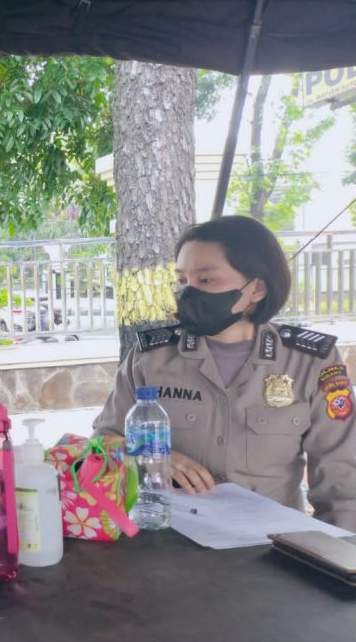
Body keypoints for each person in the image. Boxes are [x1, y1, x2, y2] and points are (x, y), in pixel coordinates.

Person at [94, 215, 356, 529]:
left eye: (206, 281)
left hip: (272, 543)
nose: (188, 293)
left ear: (256, 288)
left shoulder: (309, 362)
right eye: (182, 281)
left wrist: (338, 552)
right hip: (171, 539)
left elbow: (342, 480)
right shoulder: (151, 358)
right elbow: (102, 443)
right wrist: (153, 457)